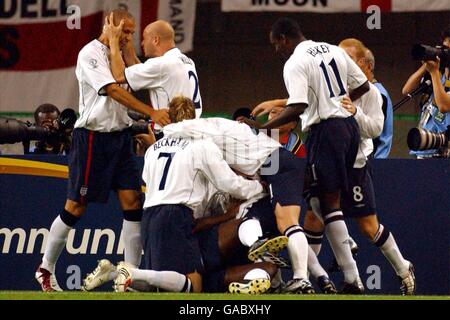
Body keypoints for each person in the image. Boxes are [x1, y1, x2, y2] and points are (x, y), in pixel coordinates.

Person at [34, 9, 170, 292]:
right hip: (93, 138)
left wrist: (124, 45)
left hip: (119, 139)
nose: (129, 37)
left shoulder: (120, 54)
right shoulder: (90, 53)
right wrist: (151, 112)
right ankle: (45, 269)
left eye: (133, 32)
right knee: (76, 207)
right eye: (126, 31)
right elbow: (112, 90)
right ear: (111, 26)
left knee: (133, 202)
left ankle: (129, 277)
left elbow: (135, 77)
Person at [248, 17, 370, 293]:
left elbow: (298, 106)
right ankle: (344, 271)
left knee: (327, 204)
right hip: (349, 129)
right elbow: (363, 86)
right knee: (322, 201)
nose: (276, 50)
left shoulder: (294, 62)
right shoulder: (333, 50)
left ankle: (352, 278)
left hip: (325, 131)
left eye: (275, 45)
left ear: (283, 39)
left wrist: (264, 128)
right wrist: (338, 100)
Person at [113, 96, 265, 293]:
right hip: (176, 214)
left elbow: (147, 181)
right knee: (192, 287)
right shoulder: (200, 144)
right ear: (195, 117)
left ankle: (117, 275)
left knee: (164, 286)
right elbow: (229, 183)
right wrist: (258, 188)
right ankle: (131, 274)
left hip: (150, 215)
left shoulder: (153, 150)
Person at [163, 100, 315, 293]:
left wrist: (159, 128)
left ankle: (300, 277)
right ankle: (270, 257)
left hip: (275, 162)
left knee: (287, 223)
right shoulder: (219, 126)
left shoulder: (196, 129)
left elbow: (174, 131)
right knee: (272, 220)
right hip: (273, 161)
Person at [304, 38, 416, 295]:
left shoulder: (374, 93)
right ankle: (308, 278)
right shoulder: (332, 88)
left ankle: (402, 267)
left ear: (363, 64)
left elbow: (376, 129)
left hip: (356, 164)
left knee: (368, 226)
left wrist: (355, 113)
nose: (343, 64)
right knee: (314, 212)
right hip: (333, 160)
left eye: (349, 59)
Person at [103, 17, 202, 136]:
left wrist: (113, 39)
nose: (142, 43)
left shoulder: (161, 64)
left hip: (172, 132)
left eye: (144, 39)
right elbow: (140, 72)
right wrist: (127, 41)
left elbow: (118, 75)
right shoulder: (186, 60)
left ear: (155, 40)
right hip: (192, 130)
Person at [402, 26, 450, 158]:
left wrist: (434, 72)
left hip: (443, 153)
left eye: (448, 50)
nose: (445, 52)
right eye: (443, 48)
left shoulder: (436, 75)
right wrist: (426, 66)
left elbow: (444, 106)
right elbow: (407, 90)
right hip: (424, 147)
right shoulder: (437, 75)